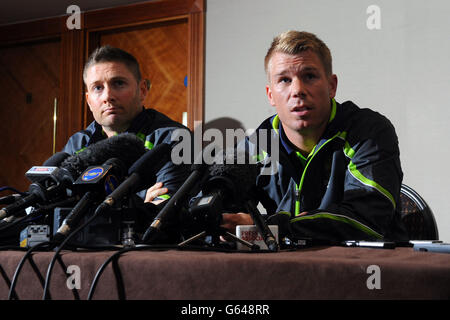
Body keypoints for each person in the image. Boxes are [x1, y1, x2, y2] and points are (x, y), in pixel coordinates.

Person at [222, 30, 408, 243]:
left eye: (309, 76)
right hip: (288, 268)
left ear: (331, 86)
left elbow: (366, 222)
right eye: (284, 79)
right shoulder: (259, 143)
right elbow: (218, 209)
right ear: (270, 95)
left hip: (369, 268)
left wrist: (271, 226)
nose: (298, 90)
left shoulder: (369, 132)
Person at [62, 45, 190, 204]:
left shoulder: (173, 137)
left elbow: (163, 212)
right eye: (98, 87)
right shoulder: (78, 143)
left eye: (118, 83)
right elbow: (60, 207)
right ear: (88, 100)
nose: (108, 96)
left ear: (142, 90)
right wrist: (140, 200)